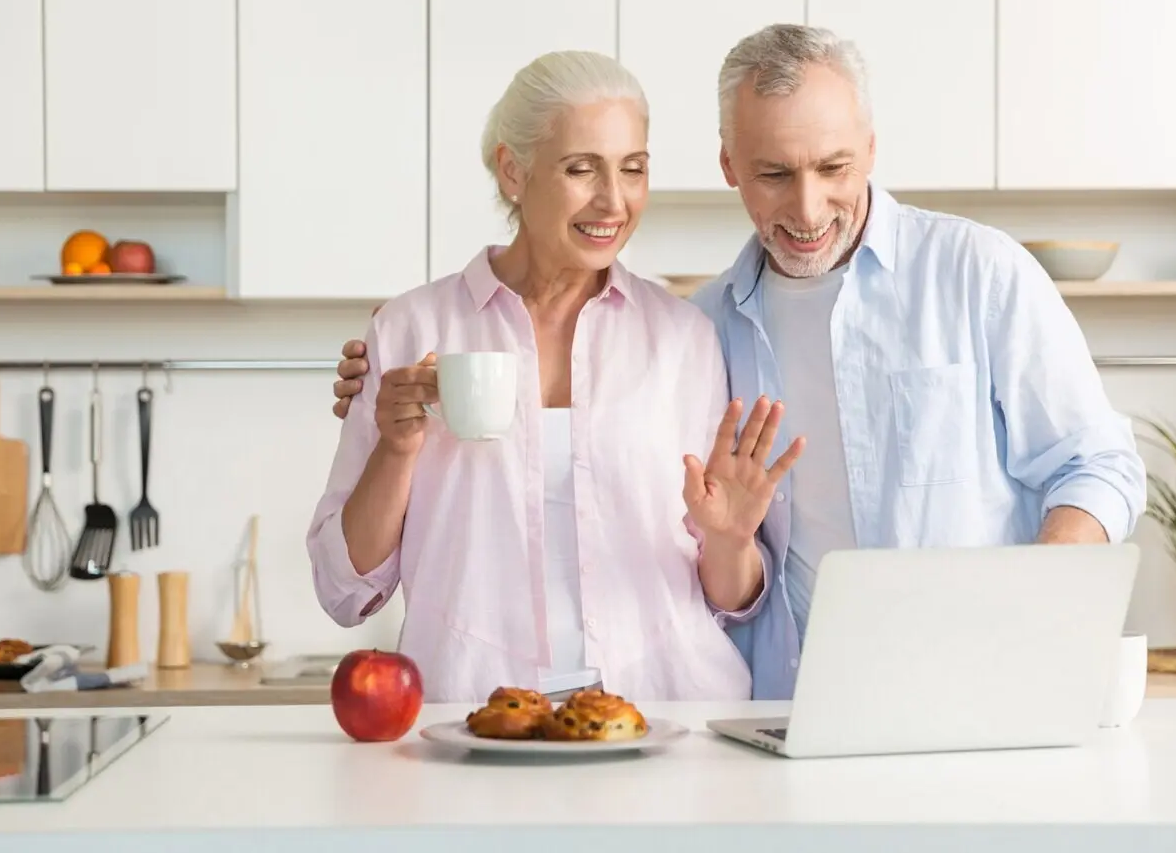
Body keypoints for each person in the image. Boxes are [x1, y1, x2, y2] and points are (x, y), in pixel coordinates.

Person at [331, 24, 1148, 701]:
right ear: (728, 167)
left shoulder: (977, 274)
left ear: (870, 149)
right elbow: (723, 563)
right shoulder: (711, 324)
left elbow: (1098, 464)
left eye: (833, 168)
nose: (806, 207)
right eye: (773, 174)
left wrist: (1032, 617)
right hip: (794, 711)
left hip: (981, 690)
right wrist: (383, 408)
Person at [306, 49, 804, 704]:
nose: (614, 201)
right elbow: (344, 591)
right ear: (513, 171)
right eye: (580, 169)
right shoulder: (410, 331)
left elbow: (733, 600)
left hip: (661, 716)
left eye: (634, 169)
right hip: (473, 719)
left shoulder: (682, 338)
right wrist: (397, 448)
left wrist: (729, 538)